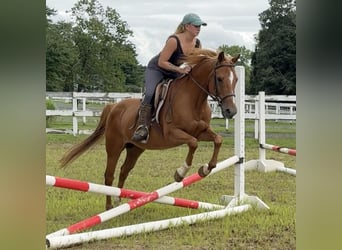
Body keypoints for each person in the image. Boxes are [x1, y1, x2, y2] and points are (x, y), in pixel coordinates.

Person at [131, 13, 207, 143]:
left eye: (200, 26)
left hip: (173, 70)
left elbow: (194, 61)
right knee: (150, 93)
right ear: (187, 26)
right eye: (196, 26)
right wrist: (180, 70)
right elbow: (162, 62)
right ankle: (142, 127)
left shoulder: (197, 43)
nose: (199, 28)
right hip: (157, 69)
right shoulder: (173, 40)